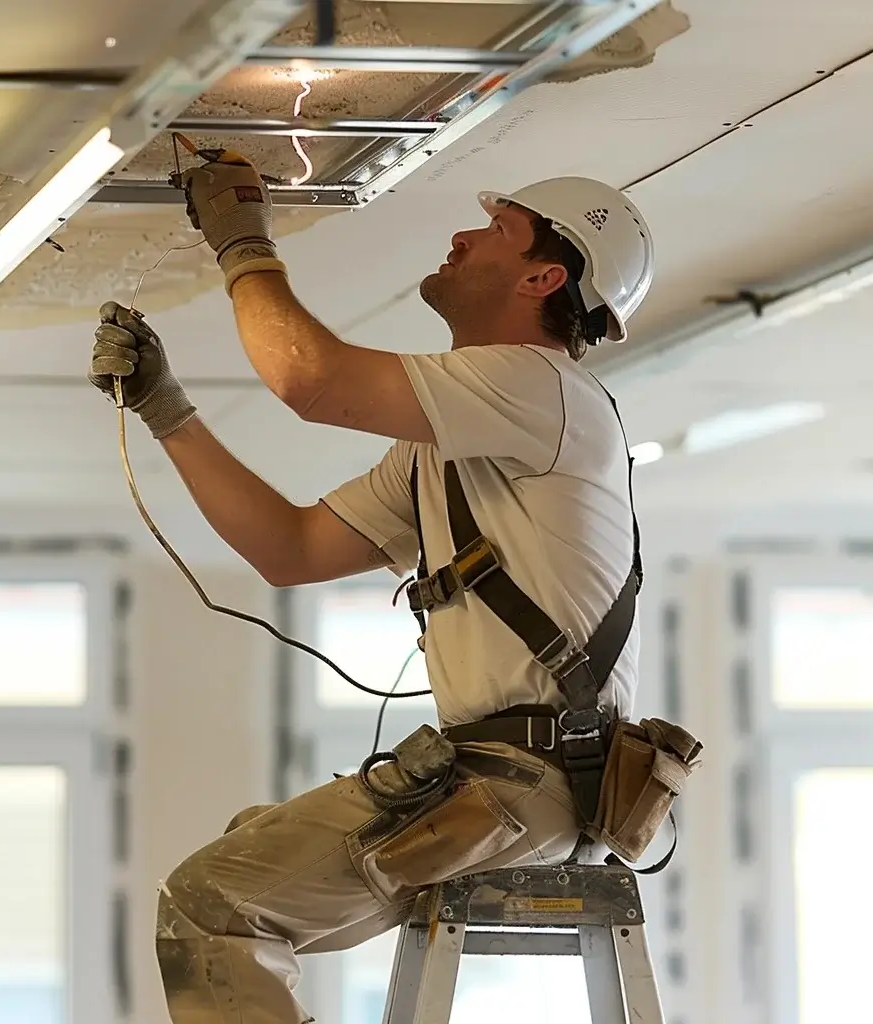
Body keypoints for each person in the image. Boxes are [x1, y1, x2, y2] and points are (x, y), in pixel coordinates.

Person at [87, 156, 655, 1024]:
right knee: (249, 849)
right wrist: (167, 409)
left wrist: (242, 240)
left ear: (544, 276)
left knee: (212, 904)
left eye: (494, 231)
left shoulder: (540, 386)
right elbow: (292, 547)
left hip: (521, 783)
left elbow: (312, 380)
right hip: (518, 784)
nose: (461, 237)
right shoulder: (453, 441)